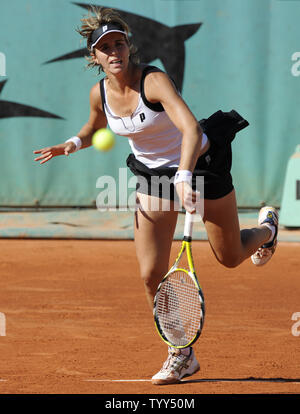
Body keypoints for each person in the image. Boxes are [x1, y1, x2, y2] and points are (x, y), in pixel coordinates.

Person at [33, 7, 279, 385]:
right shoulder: (99, 93)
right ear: (94, 56)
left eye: (119, 44)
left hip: (200, 164)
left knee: (230, 256)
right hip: (152, 177)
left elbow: (191, 130)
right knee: (151, 274)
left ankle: (266, 230)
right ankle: (181, 352)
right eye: (105, 47)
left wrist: (183, 175)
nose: (113, 52)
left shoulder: (154, 81)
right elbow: (94, 124)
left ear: (129, 47)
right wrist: (72, 143)